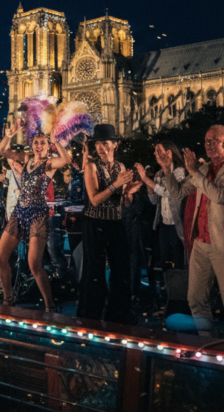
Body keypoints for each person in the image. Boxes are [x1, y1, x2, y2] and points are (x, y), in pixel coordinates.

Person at [161, 125, 224, 340]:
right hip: (202, 243)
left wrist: (194, 172)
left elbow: (220, 195)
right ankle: (209, 345)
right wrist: (167, 170)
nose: (208, 145)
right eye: (206, 141)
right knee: (195, 300)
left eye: (214, 140)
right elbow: (176, 193)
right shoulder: (204, 169)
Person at [0, 119, 72, 312]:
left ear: (48, 147)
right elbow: (1, 151)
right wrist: (9, 136)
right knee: (0, 257)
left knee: (34, 264)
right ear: (32, 145)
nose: (38, 146)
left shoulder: (49, 164)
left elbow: (66, 160)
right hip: (19, 212)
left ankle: (49, 305)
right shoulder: (26, 158)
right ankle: (8, 299)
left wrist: (57, 141)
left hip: (38, 214)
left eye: (43, 143)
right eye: (36, 142)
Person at [78, 124, 142, 323]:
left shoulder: (121, 167)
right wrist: (116, 184)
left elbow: (123, 202)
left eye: (105, 143)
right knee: (94, 271)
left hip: (115, 222)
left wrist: (128, 194)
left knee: (121, 269)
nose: (101, 148)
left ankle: (119, 315)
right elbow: (95, 199)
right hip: (94, 223)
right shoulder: (91, 166)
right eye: (98, 144)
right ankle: (91, 316)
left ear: (115, 144)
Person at [135, 141, 187, 271]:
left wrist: (148, 181)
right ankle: (165, 287)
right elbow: (154, 201)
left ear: (169, 153)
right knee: (164, 260)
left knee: (178, 260)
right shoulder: (159, 174)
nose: (154, 154)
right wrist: (148, 186)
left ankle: (178, 288)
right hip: (163, 224)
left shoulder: (179, 171)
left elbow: (170, 193)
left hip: (177, 224)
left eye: (158, 151)